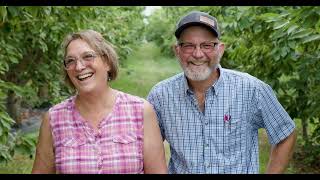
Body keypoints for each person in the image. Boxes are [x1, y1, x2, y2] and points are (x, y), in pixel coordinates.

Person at [147, 11, 297, 174]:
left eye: (207, 45)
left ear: (220, 49)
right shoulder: (161, 95)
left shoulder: (251, 89)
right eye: (189, 46)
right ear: (177, 50)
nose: (198, 54)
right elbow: (148, 148)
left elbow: (286, 133)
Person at [32, 30, 167, 174]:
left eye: (88, 56)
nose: (79, 67)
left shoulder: (140, 111)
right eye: (70, 61)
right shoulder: (54, 118)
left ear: (107, 62)